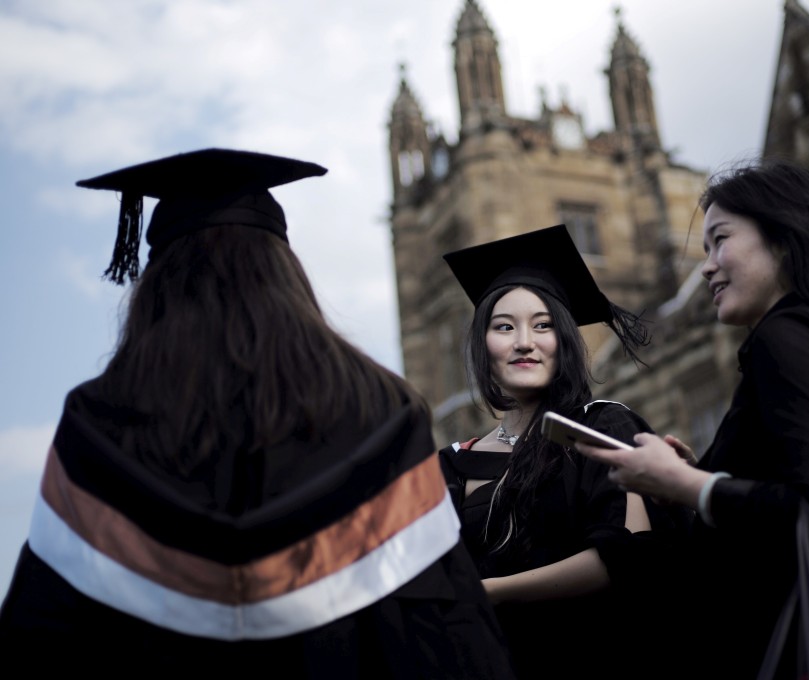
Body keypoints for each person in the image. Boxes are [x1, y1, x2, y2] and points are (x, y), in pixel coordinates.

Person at [0, 148, 515, 679]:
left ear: (156, 286)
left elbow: (43, 635)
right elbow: (445, 633)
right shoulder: (382, 411)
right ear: (285, 274)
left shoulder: (96, 424)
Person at [575, 158, 809, 678]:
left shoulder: (787, 336)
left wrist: (688, 484)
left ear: (782, 237)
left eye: (720, 240)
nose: (705, 265)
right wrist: (695, 478)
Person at [439, 224, 668, 679]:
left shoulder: (602, 427)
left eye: (542, 325)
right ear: (483, 347)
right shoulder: (453, 462)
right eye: (504, 327)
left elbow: (626, 560)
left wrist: (492, 592)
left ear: (563, 340)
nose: (524, 341)